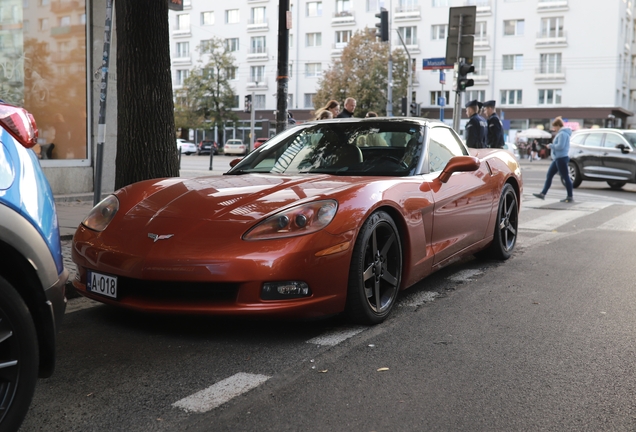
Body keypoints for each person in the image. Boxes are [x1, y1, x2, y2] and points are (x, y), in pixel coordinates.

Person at [533, 116, 574, 203]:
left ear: (558, 126)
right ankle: (543, 193)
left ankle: (570, 196)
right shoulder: (563, 133)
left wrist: (551, 146)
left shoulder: (562, 134)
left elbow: (560, 146)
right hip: (558, 158)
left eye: (554, 126)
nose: (554, 128)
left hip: (561, 158)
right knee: (550, 175)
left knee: (565, 177)